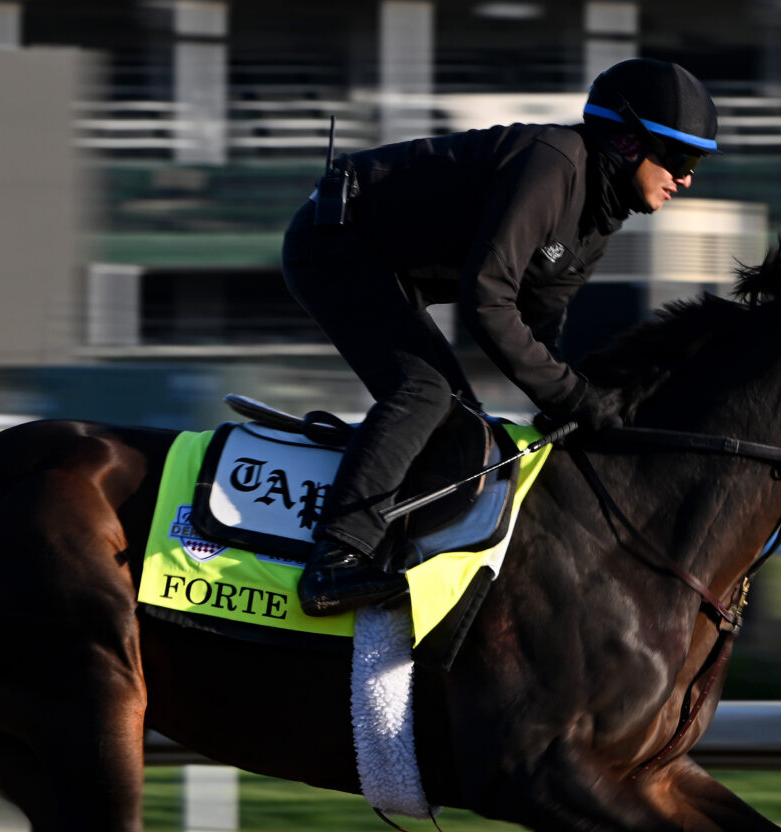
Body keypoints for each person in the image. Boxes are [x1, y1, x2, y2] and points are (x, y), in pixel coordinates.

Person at [283, 58, 719, 617]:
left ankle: (400, 542)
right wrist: (572, 397)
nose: (686, 178)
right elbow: (487, 301)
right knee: (423, 393)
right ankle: (335, 560)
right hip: (334, 243)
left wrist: (562, 410)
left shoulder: (597, 222)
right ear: (628, 143)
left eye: (695, 164)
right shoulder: (552, 163)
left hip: (390, 268)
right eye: (679, 158)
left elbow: (539, 327)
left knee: (460, 415)